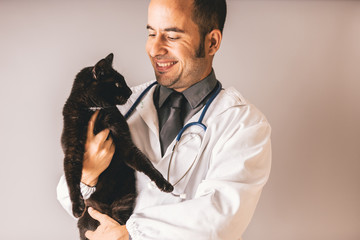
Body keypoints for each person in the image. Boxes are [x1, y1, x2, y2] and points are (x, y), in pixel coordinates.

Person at [57, 0, 272, 239]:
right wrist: (88, 175)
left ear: (212, 42)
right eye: (151, 33)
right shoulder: (120, 104)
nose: (155, 48)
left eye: (172, 36)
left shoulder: (243, 123)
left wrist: (130, 233)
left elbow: (220, 216)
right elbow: (68, 199)